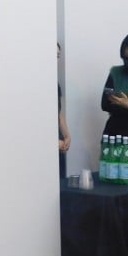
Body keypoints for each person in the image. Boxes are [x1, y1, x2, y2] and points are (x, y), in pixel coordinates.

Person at [57, 43, 71, 180]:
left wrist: (67, 136)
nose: (56, 60)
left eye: (58, 56)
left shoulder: (56, 84)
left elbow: (58, 112)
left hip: (59, 144)